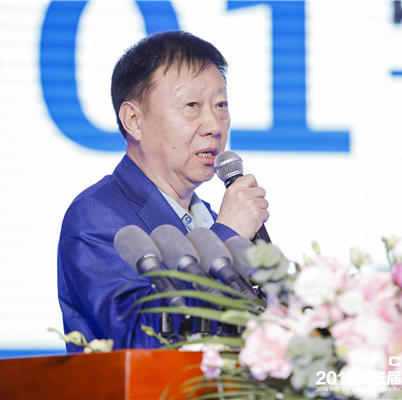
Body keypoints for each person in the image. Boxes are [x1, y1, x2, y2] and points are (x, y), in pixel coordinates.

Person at [57, 30, 269, 352]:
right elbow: (141, 338)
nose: (214, 125)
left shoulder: (212, 218)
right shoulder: (96, 216)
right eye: (191, 105)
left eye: (221, 105)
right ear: (134, 120)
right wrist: (227, 237)